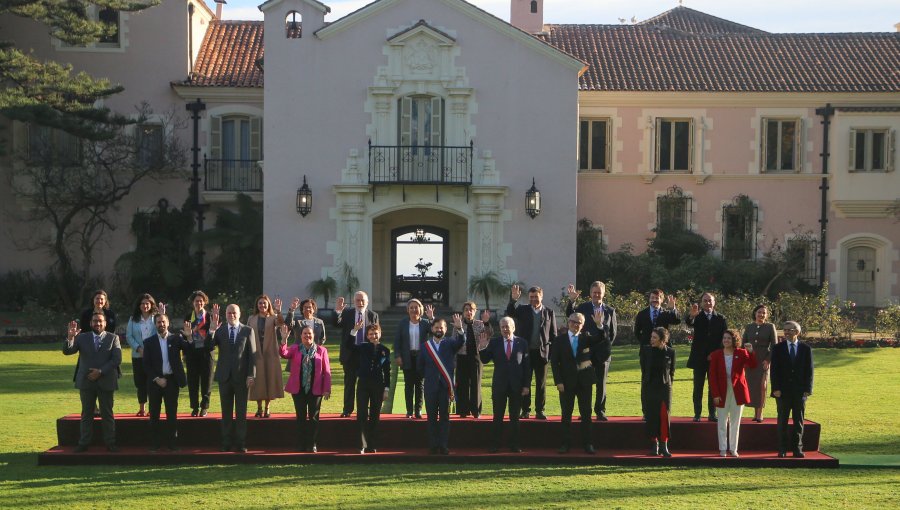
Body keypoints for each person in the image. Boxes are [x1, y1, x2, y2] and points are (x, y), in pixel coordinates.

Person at [63, 313, 122, 453]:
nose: (98, 323)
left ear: (105, 323)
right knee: (86, 414)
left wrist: (100, 371)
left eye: (100, 321)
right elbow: (67, 351)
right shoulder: (82, 337)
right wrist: (70, 337)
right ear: (90, 323)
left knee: (107, 414)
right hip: (86, 381)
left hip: (106, 380)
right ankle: (83, 443)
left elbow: (116, 360)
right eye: (95, 321)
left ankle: (110, 443)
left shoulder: (113, 338)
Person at [208, 303, 257, 453]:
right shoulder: (220, 330)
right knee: (226, 412)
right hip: (224, 377)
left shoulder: (248, 330)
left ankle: (241, 443)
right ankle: (226, 442)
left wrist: (251, 375)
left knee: (241, 412)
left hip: (241, 378)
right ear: (225, 314)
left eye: (234, 313)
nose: (232, 315)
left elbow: (253, 356)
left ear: (239, 314)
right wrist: (211, 330)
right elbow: (208, 346)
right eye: (229, 313)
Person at [478, 316, 531, 453]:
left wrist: (526, 386)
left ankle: (514, 444)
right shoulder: (494, 343)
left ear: (513, 327)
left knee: (514, 417)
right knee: (498, 416)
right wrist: (483, 347)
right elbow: (484, 360)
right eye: (503, 327)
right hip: (499, 385)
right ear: (500, 329)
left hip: (517, 386)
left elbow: (527, 366)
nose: (505, 329)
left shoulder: (522, 343)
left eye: (508, 326)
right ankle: (495, 444)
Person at [550, 312, 602, 454]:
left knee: (586, 414)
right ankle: (565, 444)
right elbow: (554, 362)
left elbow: (601, 338)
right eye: (573, 321)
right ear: (568, 322)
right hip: (566, 383)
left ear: (582, 325)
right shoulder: (559, 340)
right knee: (566, 415)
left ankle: (588, 444)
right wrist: (558, 382)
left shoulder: (586, 338)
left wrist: (599, 325)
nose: (576, 324)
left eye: (579, 322)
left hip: (585, 382)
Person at [566, 281, 617, 421]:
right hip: (586, 353)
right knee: (585, 384)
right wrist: (572, 301)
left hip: (603, 354)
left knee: (601, 384)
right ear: (590, 293)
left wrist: (604, 348)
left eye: (599, 292)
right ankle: (585, 412)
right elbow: (570, 315)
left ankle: (600, 410)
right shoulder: (582, 307)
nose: (596, 295)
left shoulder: (610, 311)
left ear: (603, 294)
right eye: (594, 292)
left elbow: (612, 334)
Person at [505, 285, 557, 420]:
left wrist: (550, 353)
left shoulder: (549, 312)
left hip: (542, 353)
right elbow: (510, 313)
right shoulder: (522, 310)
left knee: (541, 384)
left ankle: (540, 410)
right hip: (525, 353)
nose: (534, 299)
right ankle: (525, 410)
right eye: (531, 297)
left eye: (536, 296)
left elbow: (553, 335)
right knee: (525, 383)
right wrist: (513, 300)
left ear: (541, 296)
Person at [279, 323, 331, 453]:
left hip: (316, 389)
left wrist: (326, 389)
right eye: (305, 334)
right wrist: (284, 340)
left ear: (314, 336)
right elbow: (284, 353)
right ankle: (301, 444)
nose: (307, 336)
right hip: (299, 389)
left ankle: (312, 444)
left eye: (310, 334)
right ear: (301, 336)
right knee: (300, 417)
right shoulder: (295, 348)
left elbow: (327, 371)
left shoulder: (321, 350)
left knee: (313, 418)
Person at [143, 314, 192, 452]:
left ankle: (173, 443)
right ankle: (155, 444)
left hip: (171, 381)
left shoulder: (176, 338)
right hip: (155, 382)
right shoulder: (149, 342)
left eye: (163, 322)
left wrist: (188, 337)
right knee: (154, 413)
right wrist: (157, 379)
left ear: (168, 323)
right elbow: (146, 365)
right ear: (155, 324)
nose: (161, 324)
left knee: (172, 413)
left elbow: (190, 350)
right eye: (158, 322)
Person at [418, 316, 466, 455]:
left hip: (445, 388)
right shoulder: (425, 346)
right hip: (431, 387)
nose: (439, 330)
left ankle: (443, 445)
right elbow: (420, 367)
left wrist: (459, 328)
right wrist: (429, 377)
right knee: (431, 417)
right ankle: (433, 446)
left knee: (444, 417)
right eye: (436, 327)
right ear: (432, 329)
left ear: (446, 329)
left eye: (442, 327)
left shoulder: (450, 343)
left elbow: (461, 341)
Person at [708, 329, 757, 457]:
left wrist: (751, 352)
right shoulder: (716, 354)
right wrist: (716, 394)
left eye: (729, 338)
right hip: (721, 392)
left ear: (734, 340)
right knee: (722, 421)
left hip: (738, 391)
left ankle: (733, 448)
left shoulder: (741, 353)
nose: (726, 340)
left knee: (736, 421)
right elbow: (712, 377)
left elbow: (752, 364)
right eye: (724, 338)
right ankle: (723, 448)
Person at [633, 289, 680, 419]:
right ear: (649, 299)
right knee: (646, 381)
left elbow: (676, 320)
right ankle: (646, 412)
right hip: (646, 353)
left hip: (663, 353)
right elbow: (637, 332)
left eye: (657, 297)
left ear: (662, 299)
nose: (655, 299)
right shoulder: (642, 314)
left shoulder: (666, 313)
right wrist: (646, 343)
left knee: (664, 381)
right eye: (653, 297)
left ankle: (662, 410)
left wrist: (673, 308)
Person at [770, 321, 814, 458]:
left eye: (790, 330)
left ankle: (797, 449)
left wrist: (808, 389)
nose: (786, 332)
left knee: (798, 421)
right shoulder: (778, 348)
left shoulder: (805, 349)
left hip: (799, 391)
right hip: (782, 392)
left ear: (797, 331)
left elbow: (810, 370)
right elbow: (774, 370)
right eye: (785, 330)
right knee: (782, 420)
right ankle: (782, 449)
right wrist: (775, 388)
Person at [333, 291, 379, 417]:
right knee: (349, 383)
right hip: (350, 353)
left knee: (367, 385)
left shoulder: (373, 315)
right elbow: (336, 324)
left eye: (362, 300)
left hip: (367, 355)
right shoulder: (347, 313)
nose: (360, 303)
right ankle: (347, 410)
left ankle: (364, 410)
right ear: (354, 301)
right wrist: (338, 311)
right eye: (358, 300)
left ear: (367, 302)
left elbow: (376, 334)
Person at [685, 292, 727, 422]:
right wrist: (691, 316)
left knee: (713, 387)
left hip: (714, 358)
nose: (708, 303)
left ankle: (712, 413)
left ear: (714, 303)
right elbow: (689, 322)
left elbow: (724, 339)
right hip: (699, 358)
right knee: (698, 387)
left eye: (710, 300)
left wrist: (715, 354)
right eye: (705, 300)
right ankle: (697, 414)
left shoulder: (721, 318)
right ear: (701, 303)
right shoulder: (697, 317)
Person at [352, 324, 391, 454]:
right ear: (367, 336)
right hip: (363, 383)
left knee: (375, 414)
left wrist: (386, 389)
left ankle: (372, 444)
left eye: (375, 333)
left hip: (378, 384)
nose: (373, 336)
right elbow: (349, 346)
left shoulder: (385, 350)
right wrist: (354, 331)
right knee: (362, 413)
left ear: (380, 334)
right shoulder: (362, 347)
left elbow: (387, 371)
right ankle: (361, 444)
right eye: (370, 334)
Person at [247, 294, 285, 418]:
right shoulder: (251, 318)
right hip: (256, 353)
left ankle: (267, 408)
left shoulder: (273, 317)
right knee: (258, 381)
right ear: (257, 305)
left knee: (269, 380)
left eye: (264, 303)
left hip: (270, 354)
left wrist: (279, 311)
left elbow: (280, 322)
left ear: (268, 305)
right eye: (260, 303)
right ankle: (258, 408)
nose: (262, 305)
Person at [452, 301, 491, 419]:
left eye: (471, 310)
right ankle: (462, 410)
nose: (469, 312)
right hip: (461, 357)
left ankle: (476, 411)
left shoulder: (480, 324)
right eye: (466, 310)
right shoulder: (458, 324)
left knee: (475, 384)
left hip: (476, 357)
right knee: (462, 384)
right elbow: (454, 341)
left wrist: (487, 323)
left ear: (475, 312)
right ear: (463, 312)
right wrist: (458, 328)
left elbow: (489, 335)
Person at [393, 299, 430, 419]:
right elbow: (397, 341)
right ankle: (409, 411)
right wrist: (397, 356)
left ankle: (418, 410)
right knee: (408, 386)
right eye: (411, 307)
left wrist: (431, 318)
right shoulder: (402, 323)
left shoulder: (425, 323)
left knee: (420, 386)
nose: (414, 309)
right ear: (408, 310)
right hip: (407, 358)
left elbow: (436, 332)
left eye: (416, 307)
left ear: (421, 309)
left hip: (421, 358)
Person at [641, 327, 675, 457]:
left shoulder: (671, 352)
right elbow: (644, 370)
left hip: (664, 388)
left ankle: (664, 445)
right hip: (649, 387)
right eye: (651, 337)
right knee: (651, 415)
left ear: (662, 340)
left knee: (664, 416)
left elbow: (672, 372)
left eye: (654, 337)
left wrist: (669, 385)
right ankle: (654, 445)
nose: (651, 340)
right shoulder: (646, 350)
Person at [742, 304, 778, 422]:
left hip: (763, 360)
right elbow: (743, 344)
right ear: (755, 313)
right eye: (759, 312)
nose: (761, 314)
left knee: (762, 386)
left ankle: (760, 413)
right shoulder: (749, 327)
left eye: (764, 313)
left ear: (767, 315)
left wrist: (768, 360)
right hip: (750, 360)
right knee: (752, 386)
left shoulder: (770, 327)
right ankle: (755, 413)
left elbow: (774, 346)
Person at [125, 293, 158, 417]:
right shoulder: (133, 319)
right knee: (140, 383)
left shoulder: (156, 318)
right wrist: (138, 348)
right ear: (139, 306)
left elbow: (161, 332)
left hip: (153, 356)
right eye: (143, 303)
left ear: (151, 305)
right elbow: (129, 336)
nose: (145, 306)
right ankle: (142, 409)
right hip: (138, 356)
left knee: (153, 382)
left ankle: (152, 409)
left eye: (147, 303)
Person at [183, 290, 214, 417]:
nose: (198, 303)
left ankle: (204, 407)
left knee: (206, 381)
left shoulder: (210, 316)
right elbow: (185, 336)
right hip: (192, 352)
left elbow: (214, 334)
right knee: (192, 381)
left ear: (204, 302)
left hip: (206, 353)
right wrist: (184, 353)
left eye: (201, 301)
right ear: (192, 302)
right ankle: (194, 407)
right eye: (196, 301)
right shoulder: (188, 317)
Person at [283, 297, 327, 374]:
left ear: (313, 309)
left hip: (314, 355)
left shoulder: (320, 322)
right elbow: (288, 324)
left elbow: (322, 338)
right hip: (298, 355)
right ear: (302, 309)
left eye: (310, 307)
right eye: (305, 307)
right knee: (297, 379)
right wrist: (292, 310)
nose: (307, 309)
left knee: (314, 378)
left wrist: (316, 349)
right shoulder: (297, 320)